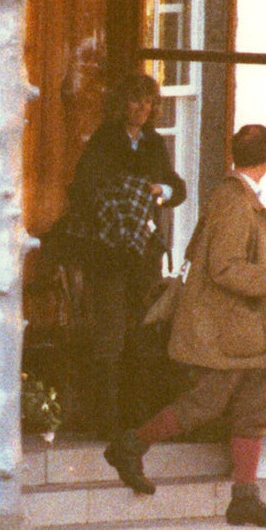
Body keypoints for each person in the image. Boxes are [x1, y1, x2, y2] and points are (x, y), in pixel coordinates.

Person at [104, 123, 266, 527]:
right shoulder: (233, 200)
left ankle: (244, 498)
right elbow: (224, 267)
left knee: (252, 410)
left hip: (244, 330)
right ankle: (131, 444)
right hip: (226, 328)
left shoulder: (239, 197)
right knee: (206, 402)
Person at [66, 72, 187, 437]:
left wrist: (158, 190)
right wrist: (119, 196)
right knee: (111, 335)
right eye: (136, 101)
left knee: (141, 332)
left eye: (148, 103)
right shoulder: (105, 139)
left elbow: (175, 187)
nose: (142, 109)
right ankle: (107, 421)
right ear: (124, 104)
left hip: (143, 255)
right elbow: (83, 186)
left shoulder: (152, 142)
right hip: (109, 254)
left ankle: (137, 418)